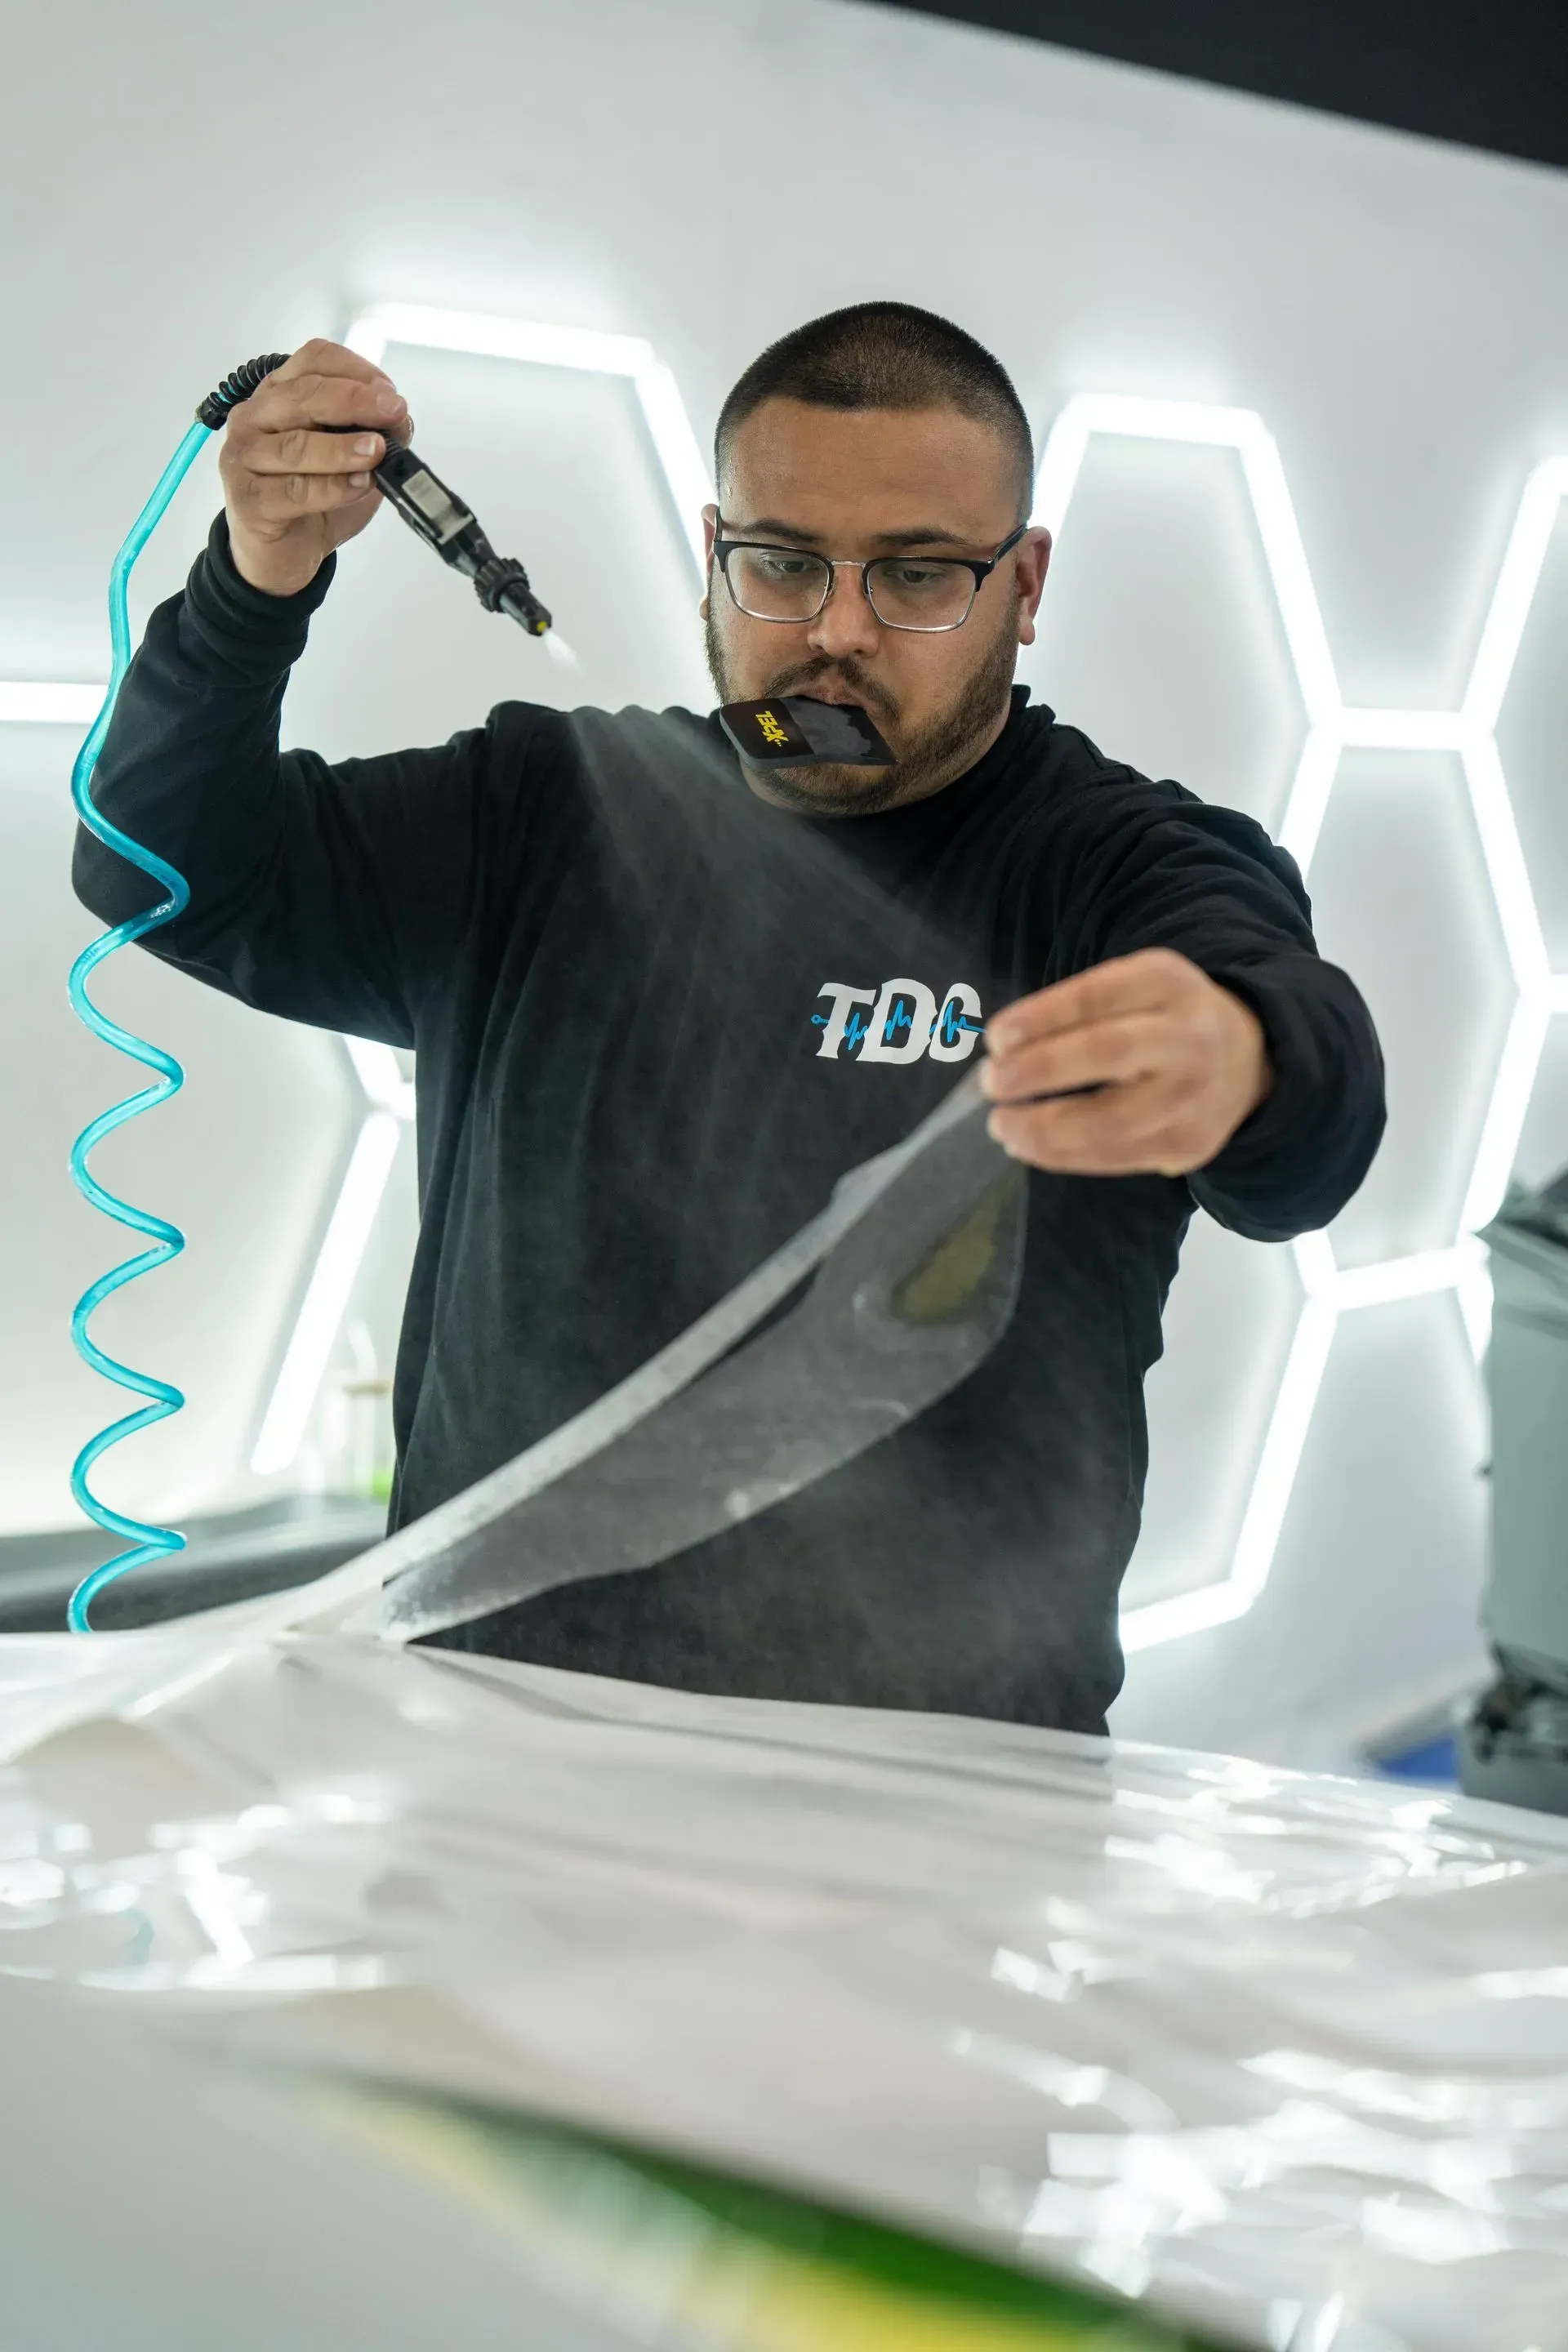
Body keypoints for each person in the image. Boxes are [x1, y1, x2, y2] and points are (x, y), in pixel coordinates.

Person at [75, 301, 1384, 1732]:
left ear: (1027, 584)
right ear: (713, 556)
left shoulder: (1117, 866)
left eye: (918, 578)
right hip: (490, 1762)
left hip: (944, 1808)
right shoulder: (542, 812)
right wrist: (255, 581)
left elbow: (1303, 1121)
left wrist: (1242, 1057)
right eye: (783, 565)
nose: (836, 633)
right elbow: (153, 862)